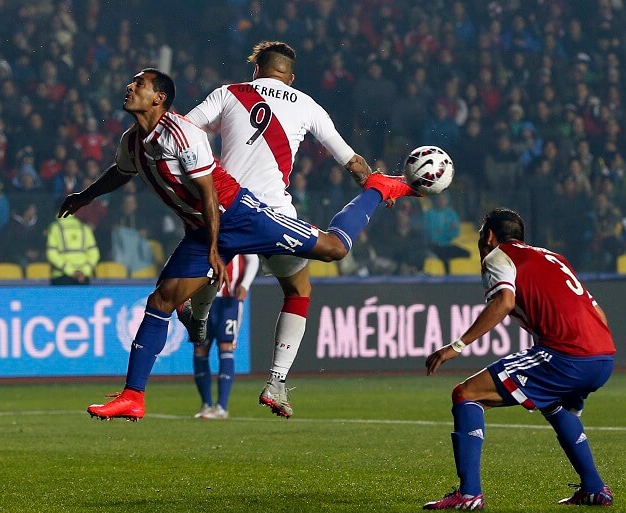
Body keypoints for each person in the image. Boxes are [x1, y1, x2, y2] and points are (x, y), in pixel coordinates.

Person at [58, 67, 417, 422]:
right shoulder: (132, 141)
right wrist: (85, 196)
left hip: (240, 215)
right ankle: (133, 396)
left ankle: (378, 189)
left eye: (138, 83)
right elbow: (121, 171)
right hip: (204, 228)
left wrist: (215, 249)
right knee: (161, 300)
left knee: (334, 249)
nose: (129, 86)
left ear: (159, 98)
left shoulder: (182, 135)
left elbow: (210, 193)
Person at [183, 41, 383, 418]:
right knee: (298, 289)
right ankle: (276, 381)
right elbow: (352, 163)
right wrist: (377, 185)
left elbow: (185, 132)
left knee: (213, 260)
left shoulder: (230, 93)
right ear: (291, 78)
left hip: (226, 204)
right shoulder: (307, 105)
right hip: (273, 214)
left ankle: (200, 318)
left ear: (255, 70)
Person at [423, 208, 615, 510]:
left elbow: (504, 301)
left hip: (567, 354)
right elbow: (596, 311)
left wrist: (457, 345)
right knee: (554, 404)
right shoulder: (553, 257)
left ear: (488, 236)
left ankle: (469, 494)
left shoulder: (498, 256)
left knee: (466, 394)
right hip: (604, 355)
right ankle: (594, 488)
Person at [192, 253, 259, 420]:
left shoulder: (237, 228)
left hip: (229, 300)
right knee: (200, 348)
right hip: (203, 298)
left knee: (226, 346)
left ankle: (221, 406)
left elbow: (253, 258)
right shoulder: (202, 230)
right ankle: (206, 404)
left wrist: (245, 284)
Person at [46, 213, 100, 285]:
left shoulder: (55, 228)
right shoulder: (85, 228)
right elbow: (95, 254)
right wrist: (84, 271)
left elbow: (51, 254)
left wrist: (70, 271)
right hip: (83, 277)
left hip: (61, 276)